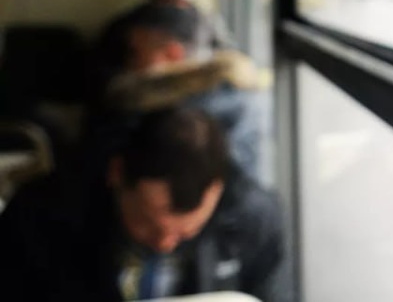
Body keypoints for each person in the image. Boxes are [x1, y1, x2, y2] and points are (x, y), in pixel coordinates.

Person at [0, 107, 292, 301]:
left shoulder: (255, 221)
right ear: (117, 173)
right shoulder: (41, 216)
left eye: (185, 232)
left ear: (216, 192)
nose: (164, 245)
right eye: (147, 224)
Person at [93, 4, 268, 184]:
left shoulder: (146, 111)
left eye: (134, 53)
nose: (129, 64)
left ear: (173, 53)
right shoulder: (236, 97)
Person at [92, 0, 236, 101]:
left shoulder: (206, 21)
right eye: (167, 3)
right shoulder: (127, 25)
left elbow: (229, 57)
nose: (174, 11)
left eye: (180, 3)